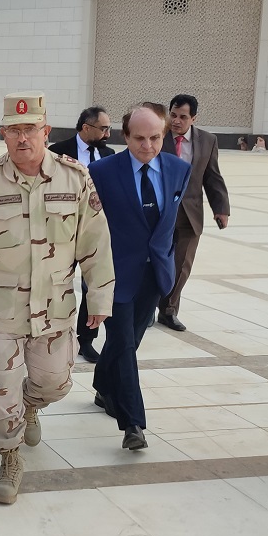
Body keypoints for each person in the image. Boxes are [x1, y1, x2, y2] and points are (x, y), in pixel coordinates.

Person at [0, 92, 113, 504]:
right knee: (0, 391)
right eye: (14, 130)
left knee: (55, 383)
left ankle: (30, 407)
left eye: (30, 129)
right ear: (4, 134)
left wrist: (100, 297)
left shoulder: (75, 178)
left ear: (46, 132)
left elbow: (96, 241)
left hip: (54, 310)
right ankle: (10, 457)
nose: (22, 138)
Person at [88, 104, 191, 451]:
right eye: (140, 138)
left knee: (125, 340)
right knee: (126, 343)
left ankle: (103, 382)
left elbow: (169, 221)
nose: (148, 146)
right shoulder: (101, 171)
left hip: (155, 272)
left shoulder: (179, 169)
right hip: (112, 273)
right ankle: (133, 424)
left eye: (155, 137)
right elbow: (88, 226)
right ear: (124, 136)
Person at [157, 94, 230, 332]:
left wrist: (220, 209)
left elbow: (212, 176)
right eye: (173, 115)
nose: (176, 121)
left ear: (194, 118)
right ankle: (146, 308)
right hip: (158, 212)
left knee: (181, 266)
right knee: (152, 262)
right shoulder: (157, 136)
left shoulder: (208, 141)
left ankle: (168, 310)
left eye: (183, 117)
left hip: (190, 213)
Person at [49, 106, 115, 363]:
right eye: (104, 128)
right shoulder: (57, 151)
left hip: (92, 230)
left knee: (92, 285)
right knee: (57, 282)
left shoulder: (108, 154)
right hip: (61, 230)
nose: (108, 133)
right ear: (86, 127)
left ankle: (86, 340)